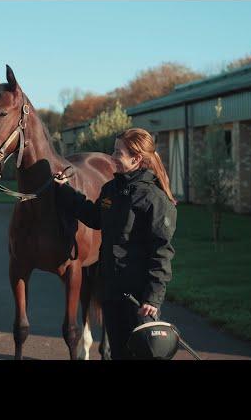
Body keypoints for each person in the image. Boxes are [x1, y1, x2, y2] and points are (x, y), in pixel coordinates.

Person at [54, 128, 177, 360]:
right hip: (111, 290)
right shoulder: (112, 189)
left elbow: (161, 252)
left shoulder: (154, 199)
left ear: (136, 158)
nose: (111, 157)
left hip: (139, 299)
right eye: (113, 150)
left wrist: (153, 298)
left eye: (117, 152)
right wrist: (64, 190)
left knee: (140, 356)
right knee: (118, 354)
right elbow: (93, 216)